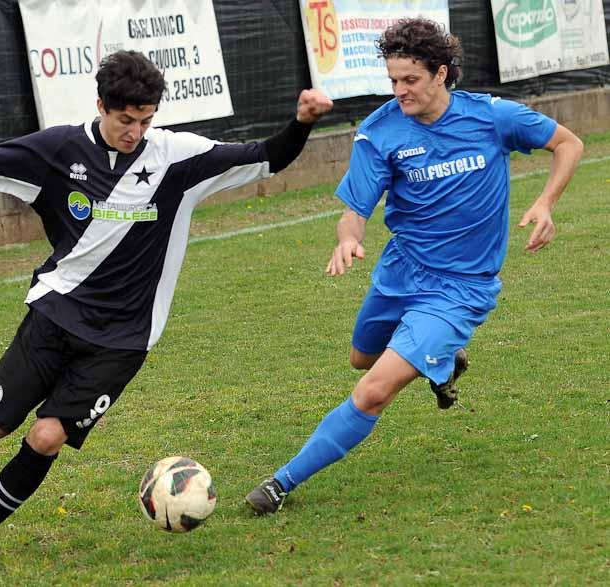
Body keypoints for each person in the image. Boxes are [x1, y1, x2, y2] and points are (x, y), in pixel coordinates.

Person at [0, 50, 333, 575]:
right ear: (101, 105)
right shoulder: (59, 150)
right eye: (126, 120)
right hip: (55, 315)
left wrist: (300, 123)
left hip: (123, 339)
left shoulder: (178, 157)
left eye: (146, 120)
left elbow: (266, 156)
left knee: (47, 437)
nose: (136, 131)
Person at [245, 17, 583, 514]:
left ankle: (280, 483)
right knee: (362, 359)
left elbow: (568, 143)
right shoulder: (381, 130)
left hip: (461, 289)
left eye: (411, 80)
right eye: (393, 81)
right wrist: (347, 240)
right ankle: (443, 362)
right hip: (400, 273)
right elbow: (354, 212)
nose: (400, 91)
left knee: (374, 389)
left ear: (441, 74)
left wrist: (547, 202)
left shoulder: (491, 117)